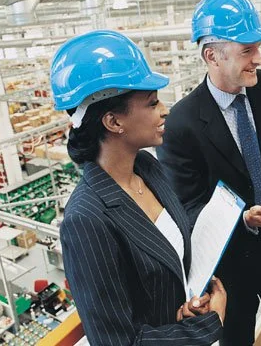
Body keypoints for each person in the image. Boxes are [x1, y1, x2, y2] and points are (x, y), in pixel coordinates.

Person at [52, 30, 227, 346]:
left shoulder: (148, 167)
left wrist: (185, 307)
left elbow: (164, 274)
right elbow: (118, 341)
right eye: (151, 103)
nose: (164, 111)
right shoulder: (87, 220)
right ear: (113, 122)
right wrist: (206, 327)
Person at [157, 0, 261, 346]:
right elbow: (188, 209)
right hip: (230, 265)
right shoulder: (181, 123)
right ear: (212, 55)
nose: (259, 58)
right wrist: (243, 219)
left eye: (257, 48)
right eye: (247, 50)